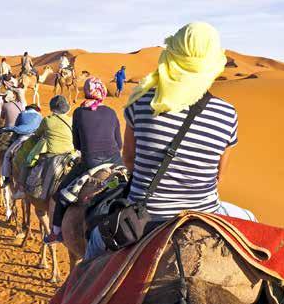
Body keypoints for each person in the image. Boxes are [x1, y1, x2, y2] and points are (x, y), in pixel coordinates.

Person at [84, 22, 257, 260]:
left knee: (93, 246)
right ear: (213, 63)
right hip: (204, 216)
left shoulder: (142, 103)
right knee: (252, 221)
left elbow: (129, 159)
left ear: (171, 55)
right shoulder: (227, 113)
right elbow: (219, 175)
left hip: (145, 219)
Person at [46, 77, 123, 244]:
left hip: (91, 163)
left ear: (87, 92)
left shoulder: (79, 112)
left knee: (61, 194)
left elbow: (77, 144)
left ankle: (56, 232)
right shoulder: (111, 112)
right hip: (117, 162)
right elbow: (120, 143)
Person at [0, 104, 43, 186]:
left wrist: (13, 139)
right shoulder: (40, 116)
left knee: (7, 155)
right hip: (36, 140)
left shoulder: (22, 114)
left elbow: (17, 128)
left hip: (23, 138)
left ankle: (7, 178)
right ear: (37, 110)